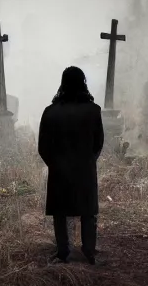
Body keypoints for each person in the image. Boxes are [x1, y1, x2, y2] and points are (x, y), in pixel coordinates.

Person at [38, 66, 104, 264]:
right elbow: (98, 142)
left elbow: (43, 146)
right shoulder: (93, 111)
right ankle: (89, 251)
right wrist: (88, 161)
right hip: (84, 168)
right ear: (83, 83)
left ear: (63, 84)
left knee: (60, 211)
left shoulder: (50, 113)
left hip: (59, 170)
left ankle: (63, 251)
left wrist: (55, 164)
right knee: (87, 211)